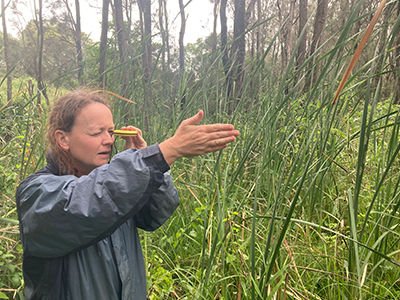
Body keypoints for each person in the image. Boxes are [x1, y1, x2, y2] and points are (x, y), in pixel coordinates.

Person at [16, 89, 239, 300]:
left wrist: (145, 159)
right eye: (96, 133)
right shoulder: (36, 192)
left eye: (111, 132)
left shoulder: (117, 184)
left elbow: (157, 214)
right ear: (63, 139)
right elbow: (86, 204)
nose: (109, 140)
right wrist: (163, 153)